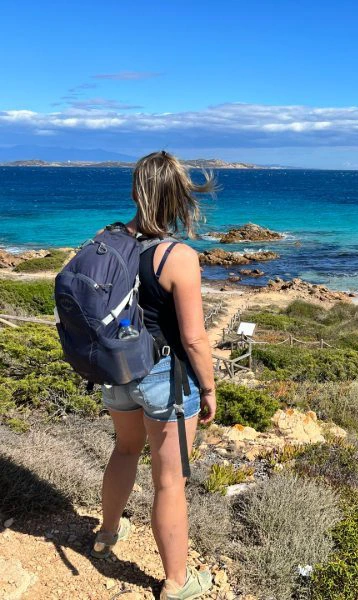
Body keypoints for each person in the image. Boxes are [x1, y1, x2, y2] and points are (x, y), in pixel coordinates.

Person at [91, 151, 218, 600]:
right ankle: (176, 583)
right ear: (179, 196)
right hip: (163, 375)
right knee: (169, 481)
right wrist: (208, 388)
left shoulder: (108, 240)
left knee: (125, 450)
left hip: (115, 371)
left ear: (136, 191)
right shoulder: (178, 256)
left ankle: (107, 534)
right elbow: (195, 338)